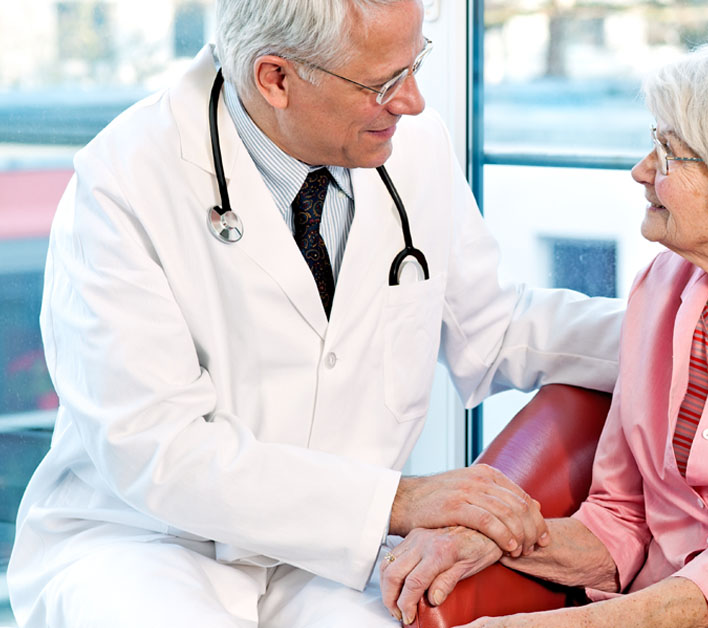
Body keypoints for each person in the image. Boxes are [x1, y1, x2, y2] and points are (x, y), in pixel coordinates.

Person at [7, 0, 622, 626]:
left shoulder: (411, 146)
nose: (412, 101)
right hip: (149, 542)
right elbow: (157, 452)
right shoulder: (124, 181)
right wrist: (399, 500)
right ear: (276, 78)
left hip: (331, 556)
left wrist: (681, 335)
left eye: (417, 65)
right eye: (384, 82)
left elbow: (493, 329)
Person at [380, 46, 708, 628]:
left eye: (668, 154)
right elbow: (617, 521)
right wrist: (487, 535)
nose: (642, 171)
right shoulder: (664, 285)